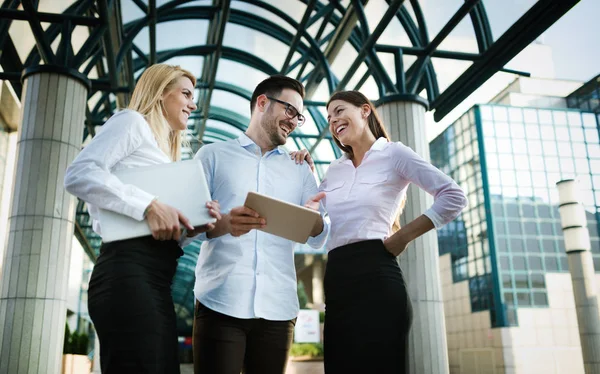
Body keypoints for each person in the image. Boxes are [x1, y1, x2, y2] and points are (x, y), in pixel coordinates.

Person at [291, 90, 468, 374]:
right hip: (337, 279)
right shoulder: (334, 170)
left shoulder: (394, 153)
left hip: (378, 275)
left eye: (339, 111)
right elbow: (316, 234)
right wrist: (307, 176)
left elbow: (453, 196)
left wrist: (403, 236)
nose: (333, 121)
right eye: (328, 118)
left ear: (365, 110)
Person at [64, 64, 221, 374]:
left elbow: (161, 228)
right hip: (127, 273)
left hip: (156, 279)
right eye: (186, 94)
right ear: (161, 92)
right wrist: (148, 205)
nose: (193, 104)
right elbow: (79, 174)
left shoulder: (166, 156)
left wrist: (195, 223)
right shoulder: (131, 123)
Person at [190, 75, 329, 374]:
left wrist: (315, 219)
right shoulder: (212, 156)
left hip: (278, 310)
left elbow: (318, 237)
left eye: (299, 116)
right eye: (289, 110)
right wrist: (225, 223)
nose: (294, 121)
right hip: (220, 301)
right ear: (262, 103)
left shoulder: (300, 169)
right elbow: (188, 226)